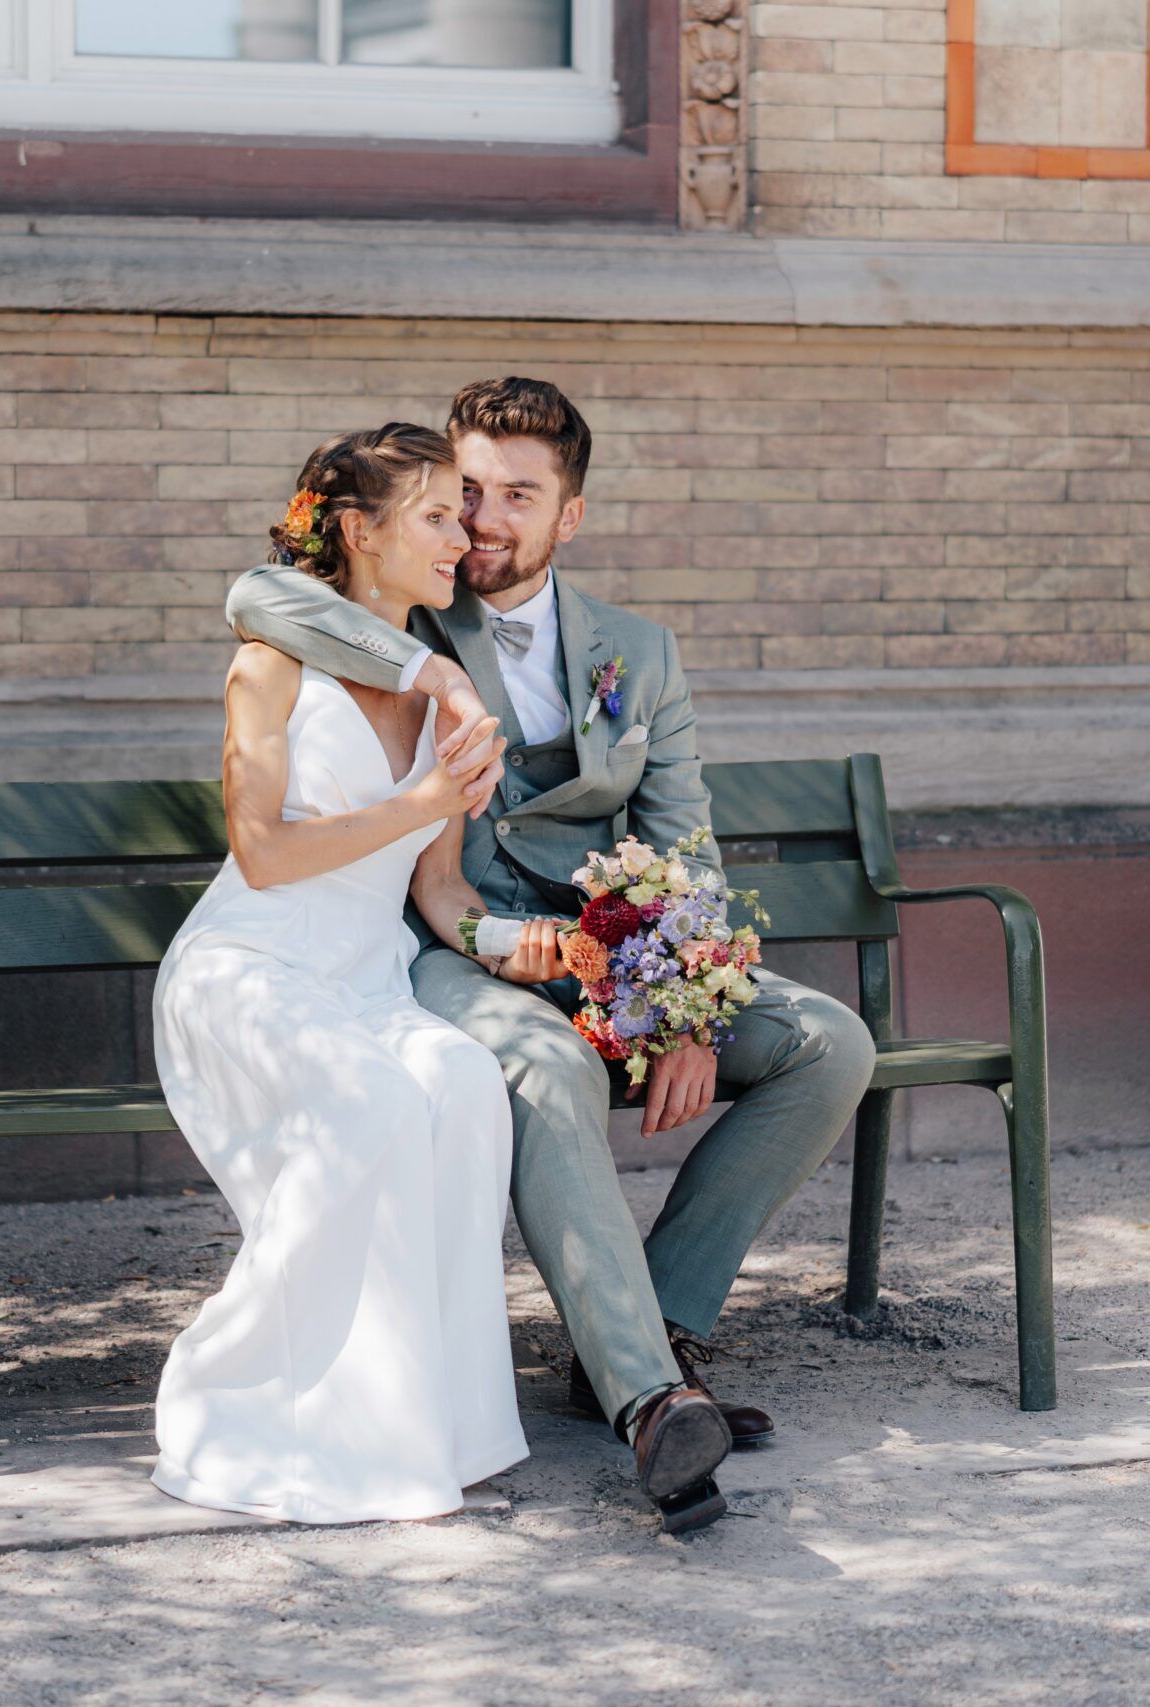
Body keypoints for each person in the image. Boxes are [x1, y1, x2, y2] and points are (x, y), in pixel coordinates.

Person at [223, 378, 877, 1534]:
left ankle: (649, 1325)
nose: (480, 519)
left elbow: (684, 847)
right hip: (454, 946)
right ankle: (650, 1401)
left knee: (828, 1043)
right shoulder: (408, 610)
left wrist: (681, 1012)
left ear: (568, 516)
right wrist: (433, 671)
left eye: (517, 497)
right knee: (548, 1066)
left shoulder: (640, 652)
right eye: (466, 490)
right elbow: (256, 592)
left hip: (615, 957)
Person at [151, 422, 537, 1524]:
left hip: (365, 981)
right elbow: (263, 855)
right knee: (372, 1105)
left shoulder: (443, 696)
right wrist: (421, 801)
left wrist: (532, 948)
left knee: (464, 1086)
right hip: (249, 969)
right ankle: (241, 1399)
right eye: (436, 515)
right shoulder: (271, 662)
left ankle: (431, 1427)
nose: (463, 537)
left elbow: (441, 892)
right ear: (359, 532)